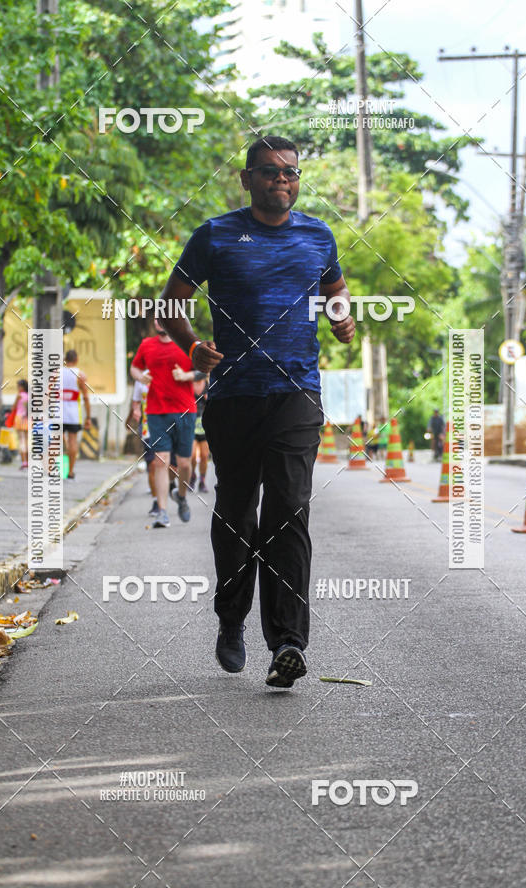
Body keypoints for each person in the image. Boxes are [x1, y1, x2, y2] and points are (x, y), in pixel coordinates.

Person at [154, 134, 355, 688]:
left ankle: (288, 642)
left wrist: (342, 317)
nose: (281, 180)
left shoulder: (319, 234)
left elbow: (334, 288)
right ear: (246, 179)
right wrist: (192, 346)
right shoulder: (215, 235)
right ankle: (231, 617)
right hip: (234, 397)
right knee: (237, 514)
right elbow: (170, 302)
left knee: (288, 511)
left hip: (296, 395)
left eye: (290, 171)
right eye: (269, 171)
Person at [130, 319, 197, 528]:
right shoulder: (146, 344)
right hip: (156, 411)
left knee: (184, 463)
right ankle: (162, 512)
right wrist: (141, 376)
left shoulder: (188, 343)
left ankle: (181, 495)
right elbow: (134, 368)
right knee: (160, 461)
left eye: (164, 316)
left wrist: (186, 375)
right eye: (157, 318)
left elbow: (204, 370)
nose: (159, 321)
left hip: (185, 410)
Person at [130, 372, 159, 515]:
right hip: (148, 428)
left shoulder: (167, 371)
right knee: (152, 465)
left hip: (167, 427)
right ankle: (157, 502)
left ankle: (171, 488)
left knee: (168, 465)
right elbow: (135, 402)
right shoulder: (141, 378)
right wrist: (136, 410)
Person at [62, 349, 91, 480]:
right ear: (76, 359)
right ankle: (70, 471)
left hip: (58, 412)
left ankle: (55, 470)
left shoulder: (56, 373)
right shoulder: (80, 375)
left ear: (65, 359)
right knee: (72, 441)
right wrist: (88, 417)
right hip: (73, 414)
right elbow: (85, 397)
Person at [189, 374, 209, 492]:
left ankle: (202, 481)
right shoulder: (189, 384)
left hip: (204, 426)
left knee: (204, 456)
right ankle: (192, 476)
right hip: (191, 425)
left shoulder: (208, 385)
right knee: (192, 455)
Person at [10, 379, 29, 469]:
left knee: (21, 441)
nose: (17, 388)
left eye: (18, 386)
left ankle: (24, 462)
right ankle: (28, 461)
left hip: (19, 418)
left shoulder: (19, 396)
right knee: (27, 441)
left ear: (22, 387)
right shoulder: (30, 396)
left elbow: (14, 407)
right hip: (28, 419)